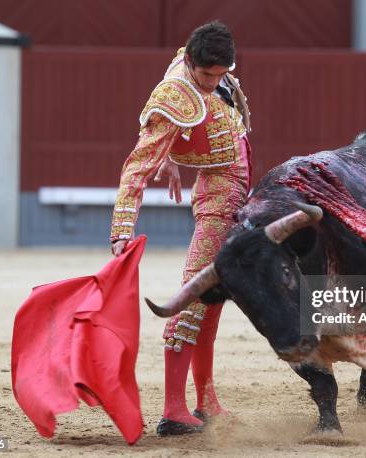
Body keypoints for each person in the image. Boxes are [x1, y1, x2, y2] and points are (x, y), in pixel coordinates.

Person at [110, 21, 252, 436]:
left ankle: (206, 400)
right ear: (191, 63)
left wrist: (172, 154)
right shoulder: (175, 94)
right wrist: (122, 228)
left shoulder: (195, 62)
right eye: (207, 75)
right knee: (192, 296)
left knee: (210, 301)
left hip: (236, 190)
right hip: (219, 196)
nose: (213, 84)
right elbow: (137, 165)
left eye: (221, 75)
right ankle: (174, 409)